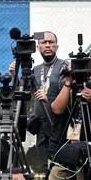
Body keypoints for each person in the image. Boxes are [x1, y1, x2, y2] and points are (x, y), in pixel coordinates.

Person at [27, 32, 65, 164]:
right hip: (41, 127)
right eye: (43, 42)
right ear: (38, 47)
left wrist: (48, 99)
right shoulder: (36, 70)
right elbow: (27, 91)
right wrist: (15, 73)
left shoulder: (63, 66)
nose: (47, 45)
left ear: (57, 46)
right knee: (45, 166)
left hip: (59, 124)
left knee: (59, 166)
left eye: (51, 42)